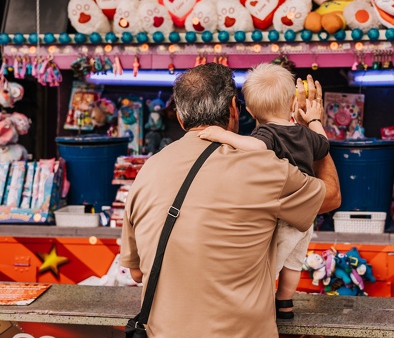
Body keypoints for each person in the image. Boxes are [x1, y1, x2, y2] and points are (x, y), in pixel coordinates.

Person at [120, 62, 341, 338]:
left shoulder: (147, 171)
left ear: (179, 118)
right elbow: (331, 196)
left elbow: (138, 274)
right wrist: (312, 135)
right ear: (234, 110)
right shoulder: (262, 167)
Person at [197, 63, 329, 319]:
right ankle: (286, 303)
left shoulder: (266, 133)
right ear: (292, 103)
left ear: (249, 109)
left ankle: (265, 304)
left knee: (270, 266)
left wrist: (223, 135)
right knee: (293, 263)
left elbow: (255, 147)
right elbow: (324, 145)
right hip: (306, 219)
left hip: (283, 218)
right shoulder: (304, 133)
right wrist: (313, 120)